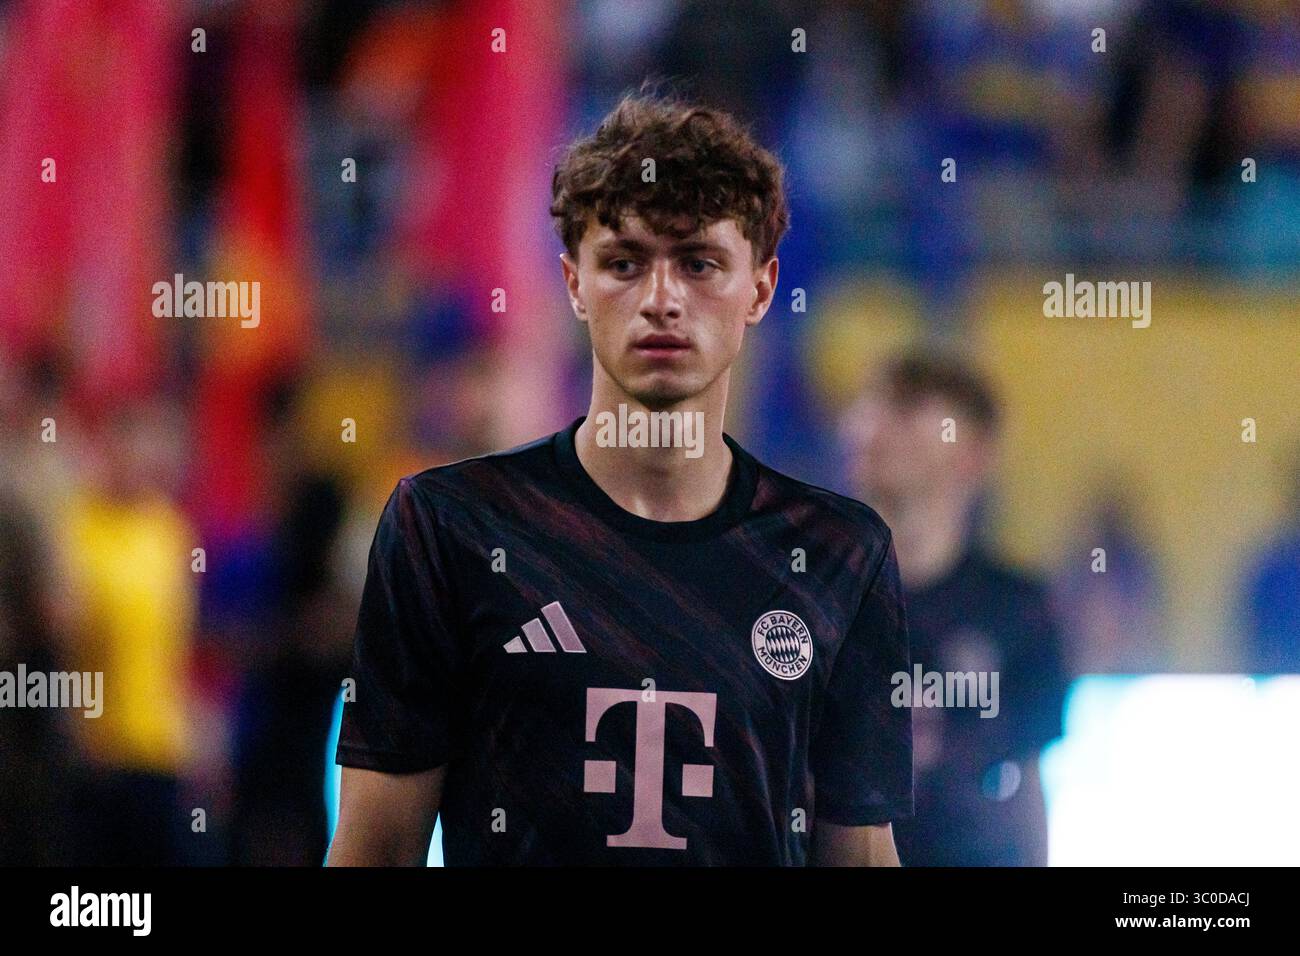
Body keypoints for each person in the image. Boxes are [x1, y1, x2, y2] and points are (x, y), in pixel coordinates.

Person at [326, 91, 912, 866]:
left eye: (699, 263)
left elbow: (862, 853)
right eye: (625, 263)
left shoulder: (841, 553)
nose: (662, 299)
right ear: (574, 284)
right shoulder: (449, 528)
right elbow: (376, 847)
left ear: (761, 290)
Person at [842, 350, 1068, 866]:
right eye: (870, 406)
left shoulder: (1019, 611)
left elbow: (1029, 786)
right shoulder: (806, 601)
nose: (871, 424)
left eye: (906, 407)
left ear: (973, 454)